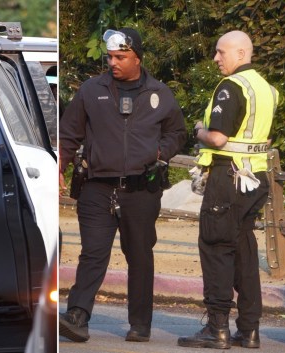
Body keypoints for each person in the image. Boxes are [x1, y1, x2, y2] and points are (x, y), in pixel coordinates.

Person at [58, 27, 186, 343]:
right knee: (93, 253)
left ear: (137, 58)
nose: (113, 62)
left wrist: (162, 152)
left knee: (140, 255)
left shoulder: (160, 93)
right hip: (97, 187)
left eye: (121, 56)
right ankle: (76, 315)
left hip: (142, 189)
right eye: (110, 56)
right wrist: (58, 166)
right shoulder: (91, 90)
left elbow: (177, 132)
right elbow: (68, 135)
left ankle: (140, 324)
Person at [178, 30, 278, 349]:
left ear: (240, 53)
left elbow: (218, 138)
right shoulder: (267, 90)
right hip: (256, 177)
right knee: (245, 250)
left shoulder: (231, 86)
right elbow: (266, 139)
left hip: (229, 177)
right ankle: (249, 330)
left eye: (221, 52)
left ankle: (217, 328)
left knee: (216, 245)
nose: (216, 58)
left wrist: (199, 131)